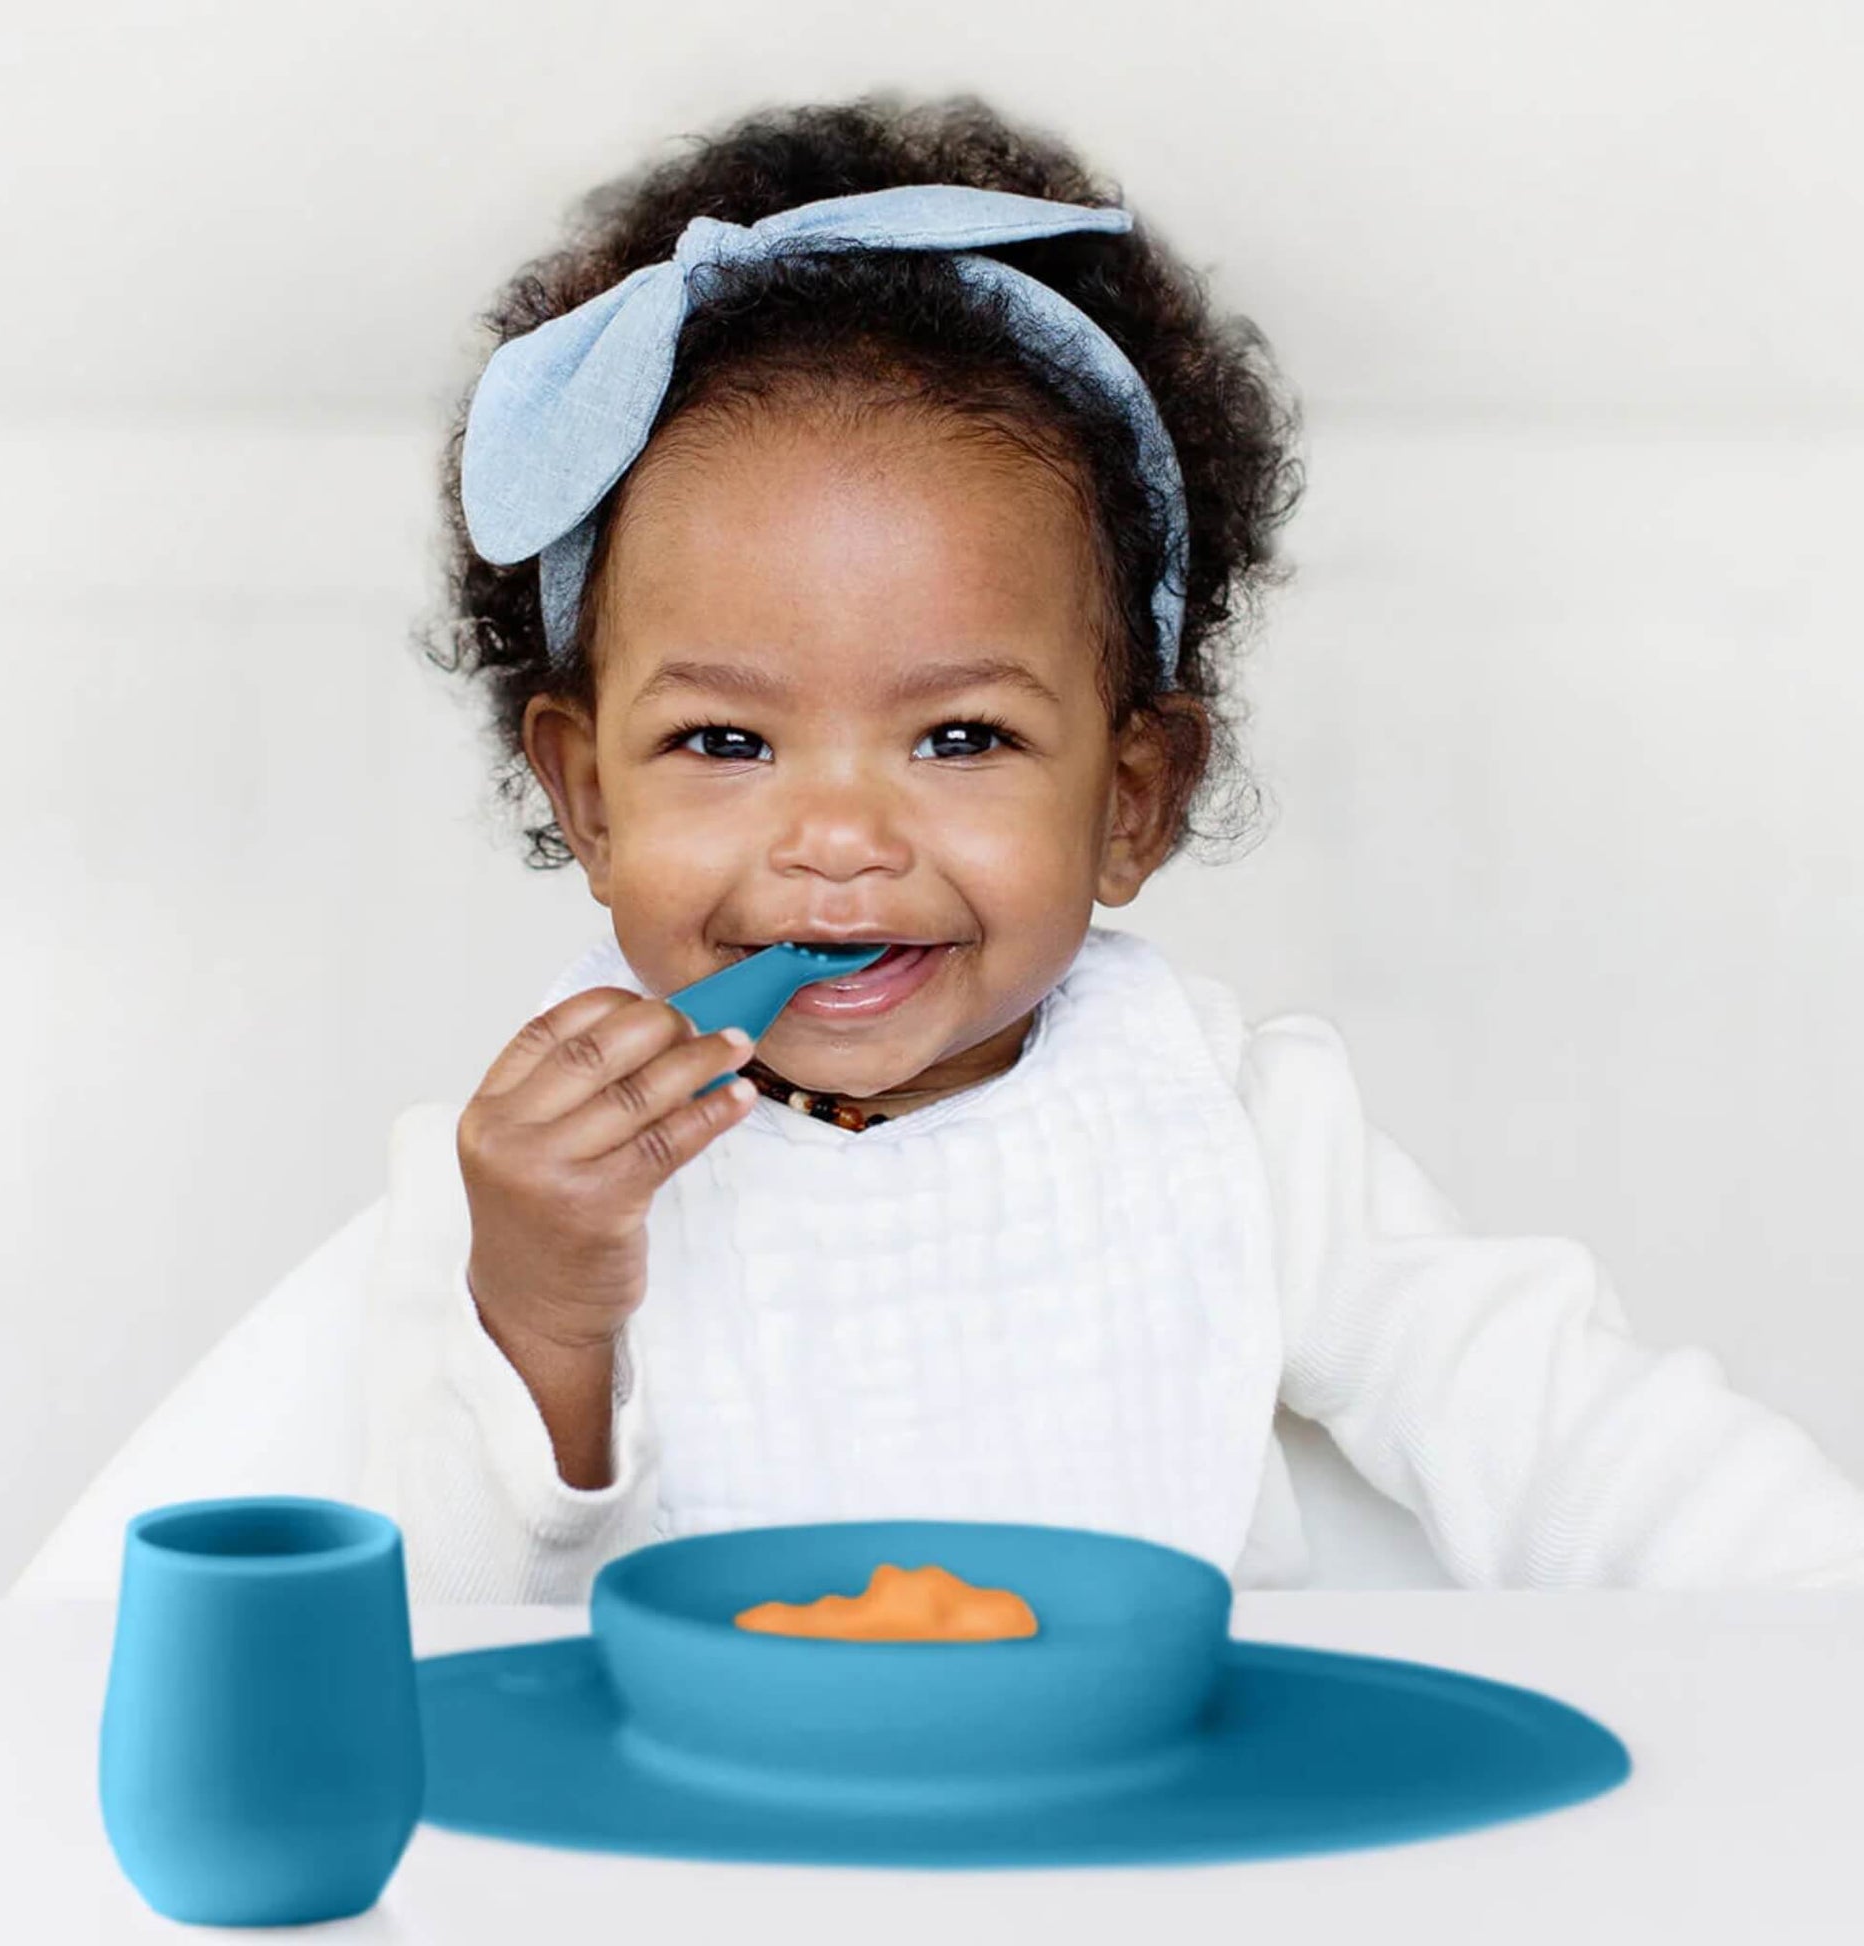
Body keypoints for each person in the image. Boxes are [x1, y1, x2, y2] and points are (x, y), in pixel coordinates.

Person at [344, 90, 1864, 1604]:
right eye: (726, 743)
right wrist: (540, 1319)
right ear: (589, 799)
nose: (841, 840)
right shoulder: (511, 1180)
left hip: (1176, 1769)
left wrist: (1808, 1601)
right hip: (698, 1774)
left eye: (961, 738)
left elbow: (1570, 1433)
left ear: (1133, 799)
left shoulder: (1231, 1123)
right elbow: (421, 1633)